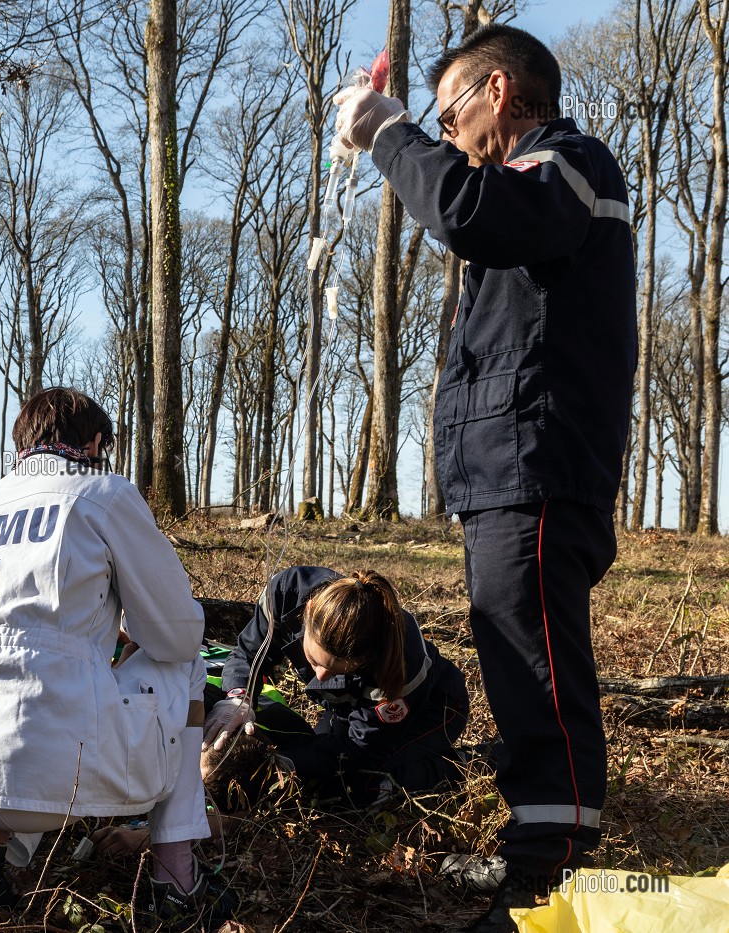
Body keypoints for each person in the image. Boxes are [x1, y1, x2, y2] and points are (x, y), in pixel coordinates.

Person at [334, 24, 634, 931]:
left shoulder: (568, 164)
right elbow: (476, 213)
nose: (449, 131)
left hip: (538, 464)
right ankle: (536, 847)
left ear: (498, 92)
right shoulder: (529, 183)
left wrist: (387, 131)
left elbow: (473, 212)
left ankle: (552, 876)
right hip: (507, 467)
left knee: (535, 662)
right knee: (512, 652)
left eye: (449, 110)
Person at [0, 387, 233, 928]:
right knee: (185, 667)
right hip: (52, 775)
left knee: (35, 689)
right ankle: (175, 883)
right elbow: (176, 636)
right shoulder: (104, 493)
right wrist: (123, 634)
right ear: (97, 441)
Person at [204, 566, 469, 807]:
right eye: (314, 661)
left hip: (432, 711)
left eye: (336, 670)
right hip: (347, 707)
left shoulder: (399, 668)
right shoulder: (286, 594)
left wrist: (286, 764)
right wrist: (239, 696)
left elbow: (360, 750)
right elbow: (249, 653)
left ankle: (465, 766)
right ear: (306, 615)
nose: (319, 677)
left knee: (353, 791)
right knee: (312, 762)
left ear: (365, 658)